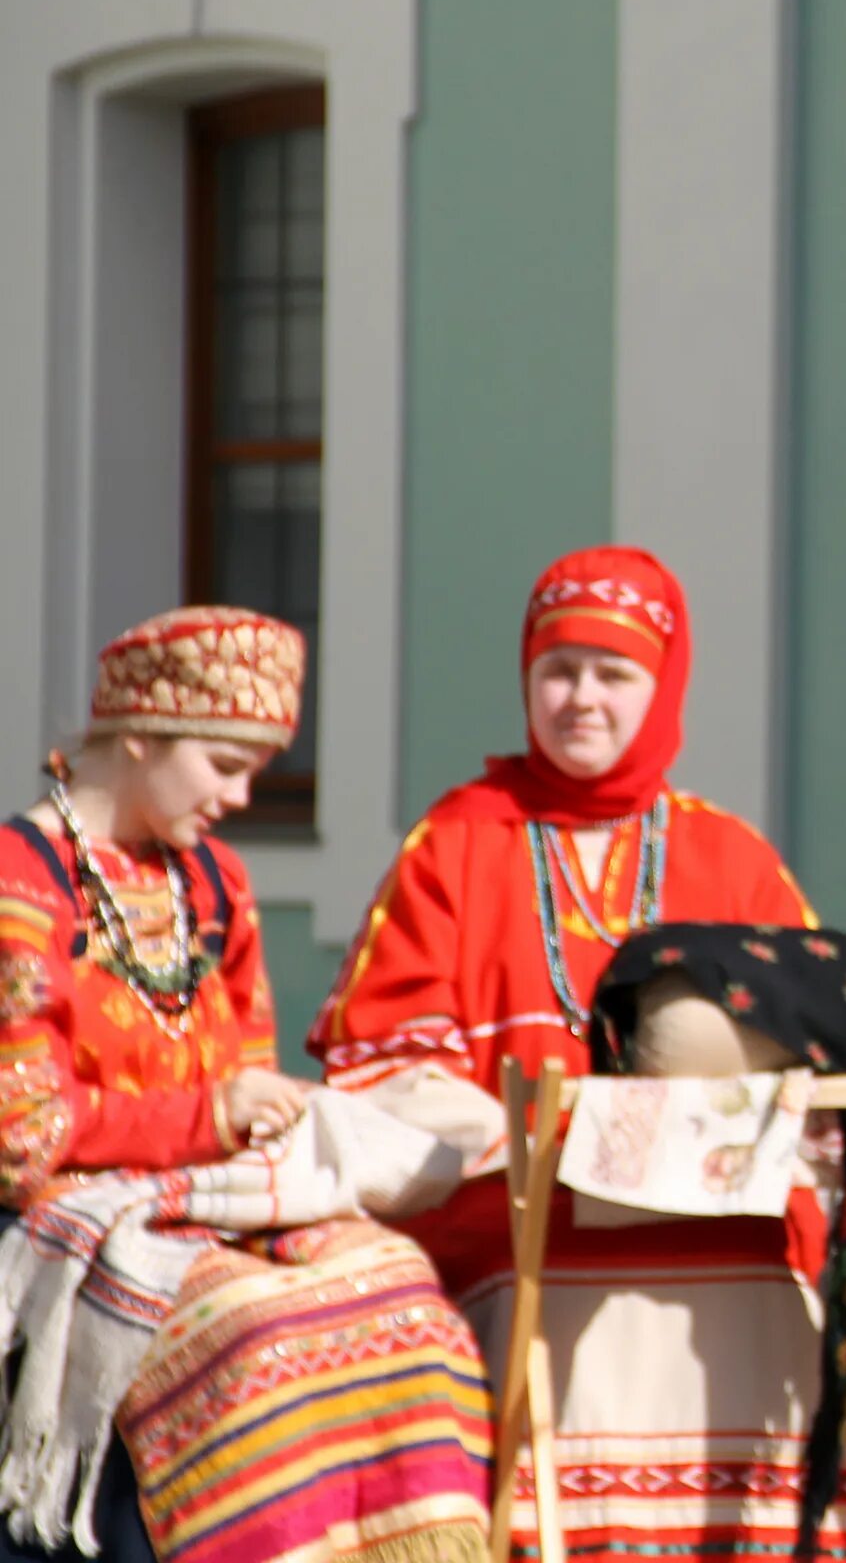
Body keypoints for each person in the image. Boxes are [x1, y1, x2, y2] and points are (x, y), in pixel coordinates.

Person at [309, 548, 846, 1561]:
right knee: (550, 1257)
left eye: (613, 673)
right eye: (557, 669)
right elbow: (380, 1063)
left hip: (725, 1220)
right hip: (518, 1218)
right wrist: (551, 1141)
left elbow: (819, 1060)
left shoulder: (733, 857)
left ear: (662, 687)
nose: (581, 697)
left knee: (788, 1284)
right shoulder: (454, 841)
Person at [0, 608, 488, 1563]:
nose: (239, 795)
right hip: (75, 1210)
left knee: (405, 1297)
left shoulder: (214, 883)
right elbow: (22, 1133)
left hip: (215, 1198)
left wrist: (276, 1126)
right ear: (137, 731)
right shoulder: (23, 878)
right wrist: (208, 1117)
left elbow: (248, 1065)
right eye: (224, 765)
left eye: (256, 770)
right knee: (252, 1330)